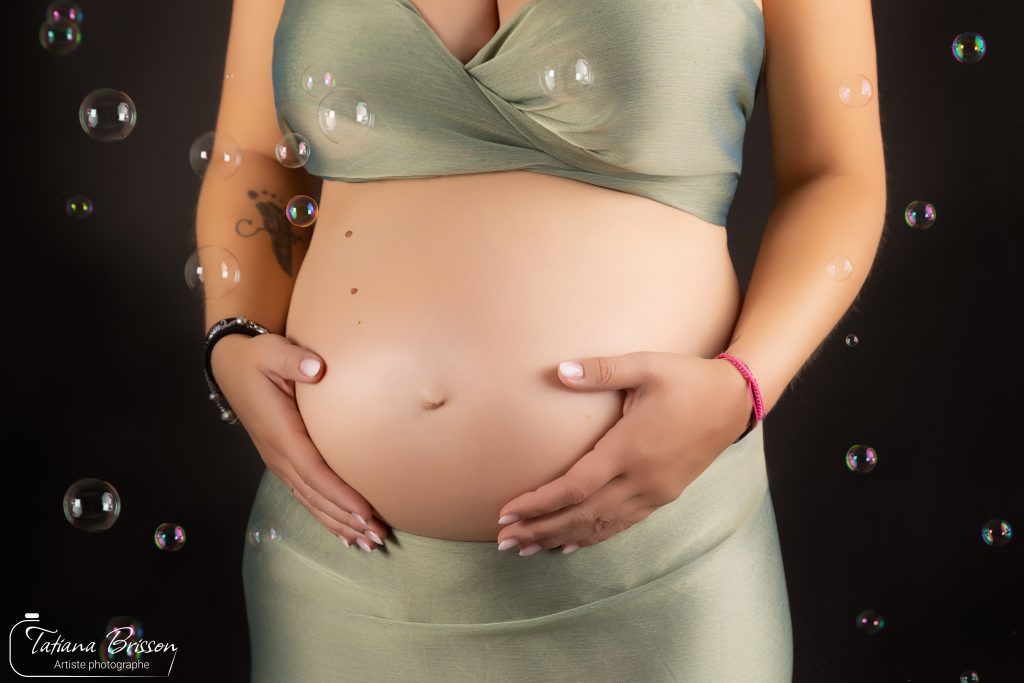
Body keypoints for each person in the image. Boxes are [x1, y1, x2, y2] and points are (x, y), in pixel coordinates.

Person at [195, 0, 886, 680]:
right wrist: (231, 331)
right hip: (333, 573)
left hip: (660, 573)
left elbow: (834, 175)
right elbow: (254, 153)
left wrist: (742, 387)